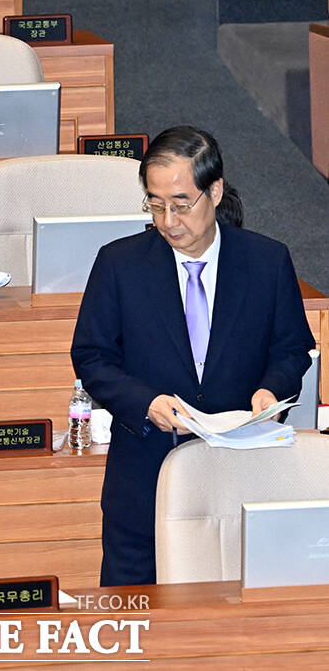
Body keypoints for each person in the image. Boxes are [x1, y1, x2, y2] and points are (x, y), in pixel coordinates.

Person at [70, 125, 315, 586]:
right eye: (155, 204)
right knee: (135, 615)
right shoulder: (119, 264)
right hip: (145, 472)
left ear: (215, 191)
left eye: (181, 203)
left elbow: (291, 348)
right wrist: (146, 403)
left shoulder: (267, 261)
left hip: (242, 470)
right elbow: (91, 355)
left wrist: (272, 390)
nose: (168, 220)